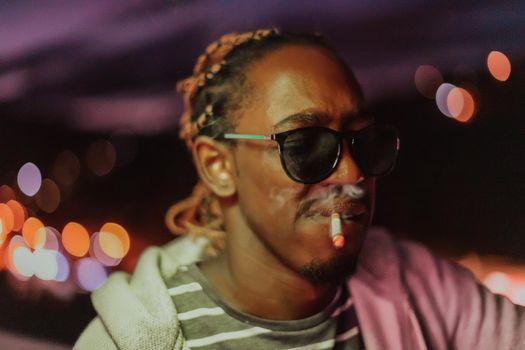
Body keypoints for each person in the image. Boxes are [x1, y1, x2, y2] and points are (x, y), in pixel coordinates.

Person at [74, 28, 525, 350]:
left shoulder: (424, 288)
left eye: (365, 141)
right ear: (219, 166)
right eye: (305, 146)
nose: (352, 174)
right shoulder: (131, 339)